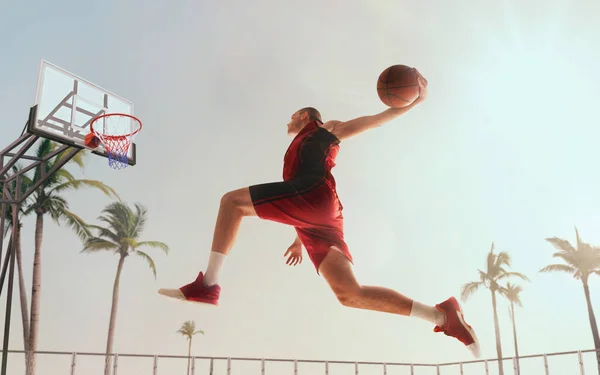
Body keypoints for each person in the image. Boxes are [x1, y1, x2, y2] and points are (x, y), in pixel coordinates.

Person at [159, 69, 480, 357]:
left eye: (291, 117)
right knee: (350, 294)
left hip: (316, 196)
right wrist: (300, 239)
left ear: (303, 115)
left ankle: (209, 285)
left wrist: (410, 104)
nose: (287, 122)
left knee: (232, 203)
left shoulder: (324, 129)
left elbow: (370, 122)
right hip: (319, 215)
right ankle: (442, 316)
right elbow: (293, 200)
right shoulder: (301, 144)